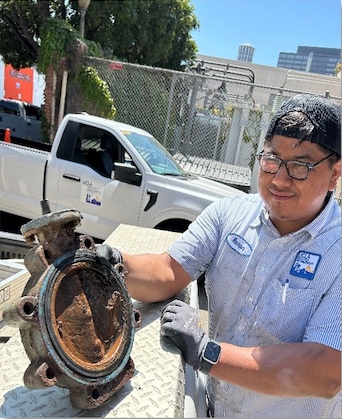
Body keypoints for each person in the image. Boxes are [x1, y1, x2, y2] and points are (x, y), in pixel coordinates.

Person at [97, 94, 341, 417]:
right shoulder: (229, 215)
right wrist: (112, 263)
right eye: (271, 159)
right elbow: (169, 271)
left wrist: (206, 352)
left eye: (300, 166)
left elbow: (326, 371)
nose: (280, 179)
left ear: (335, 173)